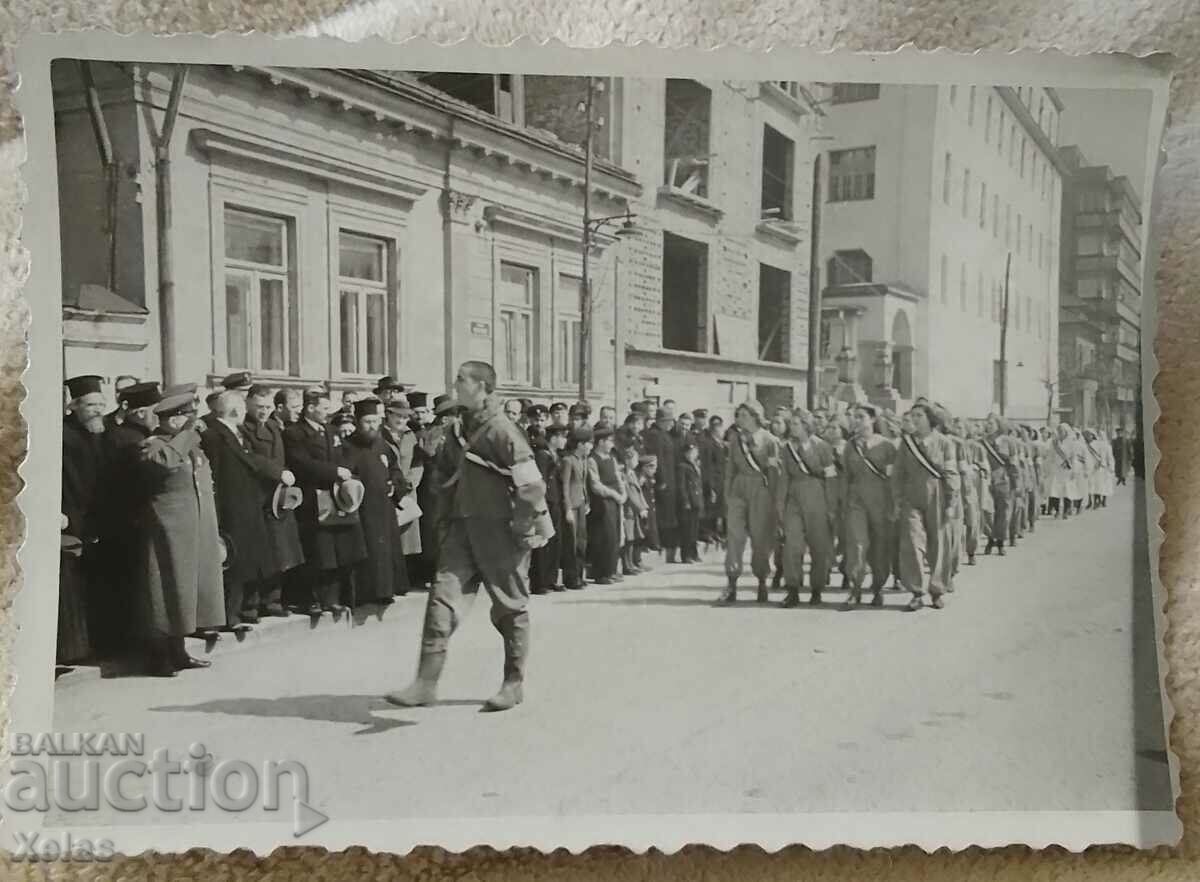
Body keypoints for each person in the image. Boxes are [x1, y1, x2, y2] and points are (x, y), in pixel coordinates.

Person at [386, 360, 553, 712]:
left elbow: (532, 485)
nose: (456, 384)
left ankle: (513, 683)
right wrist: (445, 519)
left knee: (510, 607)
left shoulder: (504, 431)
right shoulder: (457, 429)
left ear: (483, 388)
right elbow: (444, 475)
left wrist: (522, 529)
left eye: (462, 380)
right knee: (441, 602)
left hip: (501, 532)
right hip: (462, 530)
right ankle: (425, 684)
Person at [135, 390, 226, 675]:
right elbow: (163, 463)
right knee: (165, 592)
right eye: (186, 417)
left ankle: (179, 651)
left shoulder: (189, 444)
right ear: (171, 419)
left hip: (194, 528)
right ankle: (158, 657)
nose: (191, 422)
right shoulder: (153, 444)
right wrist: (187, 435)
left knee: (186, 593)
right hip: (168, 529)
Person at [202, 389, 290, 628]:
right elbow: (217, 476)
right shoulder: (215, 436)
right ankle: (229, 617)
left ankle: (235, 614)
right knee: (233, 562)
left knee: (242, 562)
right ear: (234, 411)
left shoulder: (235, 433)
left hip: (244, 506)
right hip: (230, 507)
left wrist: (277, 471)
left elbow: (251, 459)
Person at [283, 389, 367, 615]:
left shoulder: (332, 431)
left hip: (336, 498)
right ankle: (310, 599)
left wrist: (345, 469)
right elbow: (301, 462)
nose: (328, 412)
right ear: (310, 408)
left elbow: (351, 453)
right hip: (312, 499)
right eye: (324, 408)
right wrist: (334, 471)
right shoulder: (294, 433)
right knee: (316, 551)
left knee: (335, 550)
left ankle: (332, 599)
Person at [241, 385, 305, 616]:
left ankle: (273, 600)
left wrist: (285, 476)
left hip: (278, 496)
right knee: (259, 551)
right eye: (259, 407)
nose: (264, 411)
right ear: (247, 403)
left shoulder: (273, 427)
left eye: (268, 407)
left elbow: (281, 457)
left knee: (280, 550)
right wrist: (276, 473)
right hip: (257, 495)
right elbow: (249, 458)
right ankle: (252, 604)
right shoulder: (243, 427)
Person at [60, 375, 110, 665]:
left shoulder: (99, 433)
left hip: (98, 519)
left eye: (101, 404)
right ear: (74, 406)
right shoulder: (65, 436)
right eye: (91, 405)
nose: (97, 410)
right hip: (75, 518)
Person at [892, 403, 959, 611]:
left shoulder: (945, 443)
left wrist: (951, 501)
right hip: (912, 498)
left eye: (919, 416)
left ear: (930, 419)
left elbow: (951, 473)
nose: (915, 419)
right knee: (912, 542)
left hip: (937, 495)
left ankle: (937, 590)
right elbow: (898, 474)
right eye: (913, 416)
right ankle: (916, 592)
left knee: (938, 544)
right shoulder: (906, 443)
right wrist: (897, 500)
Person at [342, 397, 407, 607]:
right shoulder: (348, 446)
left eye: (375, 421)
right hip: (362, 508)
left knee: (385, 550)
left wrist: (394, 486)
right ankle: (365, 593)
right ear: (358, 423)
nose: (372, 426)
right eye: (367, 422)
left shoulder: (382, 444)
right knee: (366, 549)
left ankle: (386, 591)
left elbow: (396, 471)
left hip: (384, 507)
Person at [720, 400, 781, 605]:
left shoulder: (770, 441)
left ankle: (762, 580)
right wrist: (727, 497)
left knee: (760, 537)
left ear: (756, 416)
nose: (739, 419)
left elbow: (773, 473)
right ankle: (732, 583)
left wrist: (773, 500)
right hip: (739, 488)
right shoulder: (735, 439)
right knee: (734, 536)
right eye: (738, 415)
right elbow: (730, 471)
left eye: (744, 415)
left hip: (761, 490)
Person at [777, 410, 836, 607]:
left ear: (805, 425)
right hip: (794, 496)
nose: (791, 427)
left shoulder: (822, 447)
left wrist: (831, 506)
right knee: (792, 545)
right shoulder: (786, 450)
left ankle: (817, 589)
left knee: (819, 546)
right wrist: (780, 505)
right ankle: (792, 589)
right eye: (791, 423)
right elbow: (783, 478)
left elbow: (831, 477)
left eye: (795, 423)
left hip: (817, 495)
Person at [841, 403, 896, 609]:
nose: (856, 420)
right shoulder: (850, 446)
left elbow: (892, 479)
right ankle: (855, 589)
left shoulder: (887, 446)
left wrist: (893, 505)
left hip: (880, 500)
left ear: (873, 420)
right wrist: (843, 502)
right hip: (856, 500)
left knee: (880, 546)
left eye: (861, 416)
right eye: (854, 417)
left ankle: (878, 587)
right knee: (857, 543)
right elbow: (845, 476)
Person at [381, 400, 419, 597]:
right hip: (388, 489)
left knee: (409, 536)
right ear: (388, 415)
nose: (402, 421)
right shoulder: (380, 434)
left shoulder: (410, 436)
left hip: (407, 490)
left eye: (405, 417)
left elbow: (418, 461)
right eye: (398, 416)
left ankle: (408, 578)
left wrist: (412, 480)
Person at [587, 425, 625, 584]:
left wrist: (623, 493)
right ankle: (601, 573)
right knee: (603, 537)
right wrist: (614, 494)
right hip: (602, 503)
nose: (612, 444)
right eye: (609, 441)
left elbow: (618, 477)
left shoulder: (612, 458)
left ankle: (611, 570)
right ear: (601, 442)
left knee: (615, 535)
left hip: (615, 501)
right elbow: (595, 485)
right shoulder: (592, 460)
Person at [642, 408, 680, 562]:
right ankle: (662, 544)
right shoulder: (655, 435)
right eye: (668, 421)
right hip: (663, 481)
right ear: (660, 421)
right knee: (664, 515)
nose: (671, 424)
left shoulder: (665, 434)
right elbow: (658, 460)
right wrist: (662, 479)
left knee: (669, 514)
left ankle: (668, 546)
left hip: (670, 479)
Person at [559, 425, 592, 591]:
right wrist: (567, 509)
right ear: (580, 444)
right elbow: (565, 487)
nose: (590, 446)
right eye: (588, 443)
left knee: (581, 541)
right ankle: (571, 578)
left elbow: (583, 483)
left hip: (581, 505)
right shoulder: (568, 460)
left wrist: (587, 501)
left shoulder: (582, 460)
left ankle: (580, 575)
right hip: (572, 505)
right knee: (571, 543)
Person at [979, 414, 1016, 552]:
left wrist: (1015, 482)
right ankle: (990, 538)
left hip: (1003, 479)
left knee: (1003, 511)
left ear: (999, 425)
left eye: (991, 423)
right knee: (987, 512)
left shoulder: (1007, 441)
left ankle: (1000, 541)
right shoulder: (980, 441)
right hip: (985, 479)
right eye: (987, 423)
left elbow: (1013, 463)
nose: (988, 425)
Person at [698, 414, 726, 548]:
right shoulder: (708, 443)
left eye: (720, 426)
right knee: (710, 507)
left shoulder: (719, 442)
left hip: (721, 480)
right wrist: (710, 485)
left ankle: (714, 532)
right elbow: (708, 465)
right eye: (716, 427)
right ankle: (707, 532)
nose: (719, 430)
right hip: (713, 480)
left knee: (717, 508)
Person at [621, 444, 649, 575]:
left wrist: (644, 506)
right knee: (628, 538)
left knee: (632, 538)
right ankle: (627, 565)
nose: (636, 462)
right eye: (634, 459)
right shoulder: (624, 474)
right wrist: (640, 508)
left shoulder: (632, 474)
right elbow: (630, 495)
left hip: (634, 511)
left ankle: (631, 563)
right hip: (628, 511)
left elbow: (639, 493)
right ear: (627, 460)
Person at [677, 442, 704, 564]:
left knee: (694, 529)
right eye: (689, 453)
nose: (691, 455)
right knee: (687, 530)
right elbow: (681, 485)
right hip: (689, 501)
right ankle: (686, 555)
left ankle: (694, 553)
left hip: (696, 500)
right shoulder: (683, 466)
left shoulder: (696, 465)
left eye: (693, 452)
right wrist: (685, 500)